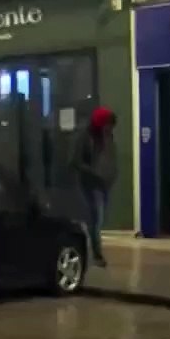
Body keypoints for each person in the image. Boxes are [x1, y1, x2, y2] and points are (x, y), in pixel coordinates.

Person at [73, 106, 117, 267]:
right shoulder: (85, 137)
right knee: (96, 219)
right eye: (108, 125)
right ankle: (97, 254)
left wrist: (111, 174)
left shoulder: (108, 137)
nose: (109, 128)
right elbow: (76, 161)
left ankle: (94, 249)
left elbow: (110, 157)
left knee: (99, 219)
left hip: (104, 183)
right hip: (90, 183)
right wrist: (93, 172)